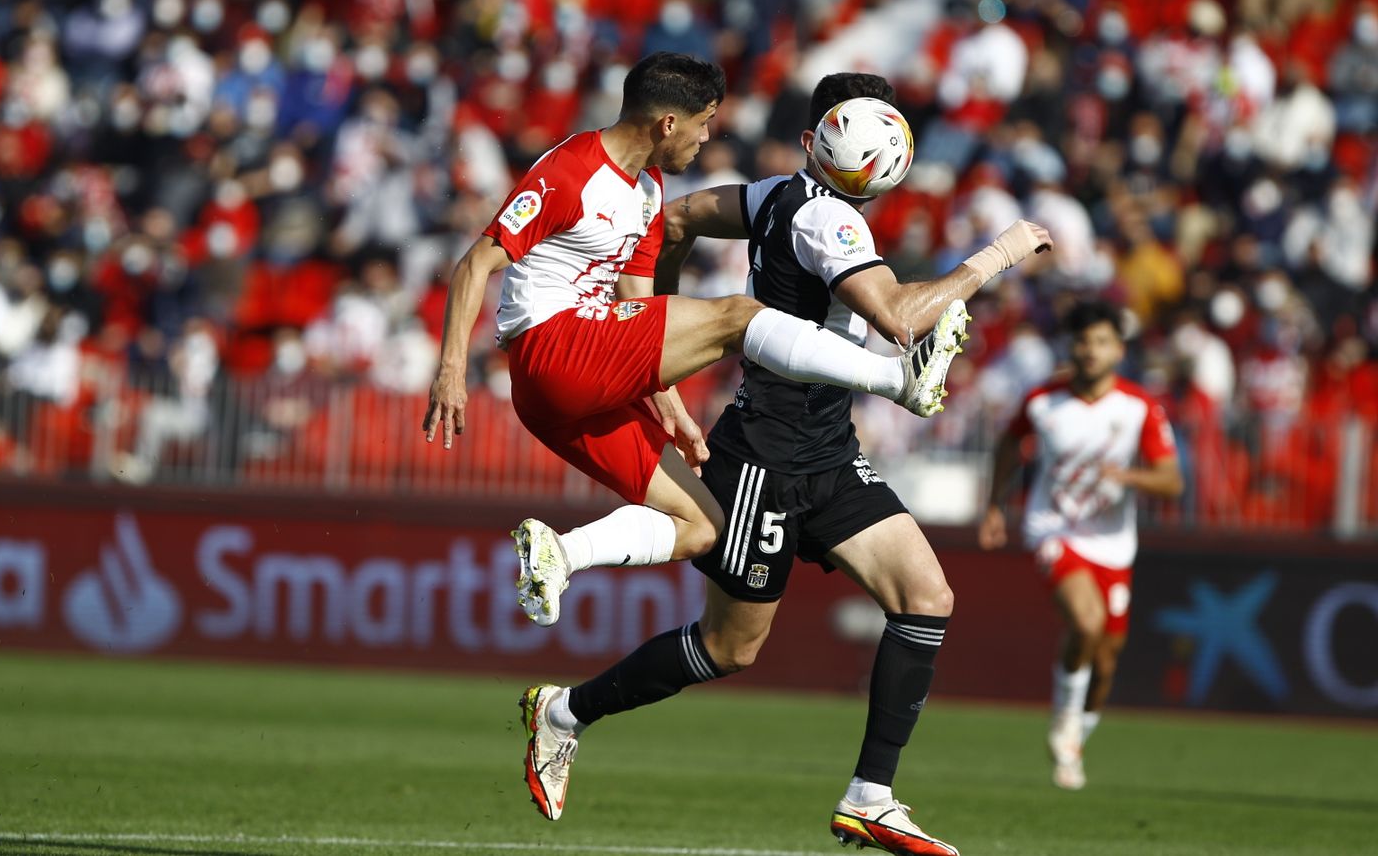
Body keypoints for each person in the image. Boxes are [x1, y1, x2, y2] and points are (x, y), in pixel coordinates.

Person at [517, 72, 1054, 856]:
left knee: (926, 596)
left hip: (829, 450)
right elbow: (901, 319)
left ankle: (871, 797)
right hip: (765, 455)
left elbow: (677, 219)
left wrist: (650, 324)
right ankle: (564, 713)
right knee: (730, 649)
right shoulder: (828, 221)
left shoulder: (772, 193)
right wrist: (996, 256)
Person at [423, 53, 972, 628]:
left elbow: (640, 305)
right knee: (738, 315)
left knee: (703, 527)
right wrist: (452, 371)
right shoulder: (570, 172)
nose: (706, 138)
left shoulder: (648, 190)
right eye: (703, 122)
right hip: (552, 347)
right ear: (667, 123)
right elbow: (473, 265)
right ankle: (896, 378)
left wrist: (670, 404)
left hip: (568, 391)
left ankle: (561, 553)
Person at [978, 300, 1182, 790]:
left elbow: (1172, 482)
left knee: (1107, 656)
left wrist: (1127, 476)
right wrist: (994, 506)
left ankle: (1074, 740)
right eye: (1083, 341)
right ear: (1071, 346)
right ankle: (1064, 720)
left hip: (1112, 542)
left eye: (1102, 341)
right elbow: (1009, 444)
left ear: (1119, 348)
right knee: (1085, 622)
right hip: (1054, 528)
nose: (1091, 351)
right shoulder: (1043, 400)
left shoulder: (1139, 407)